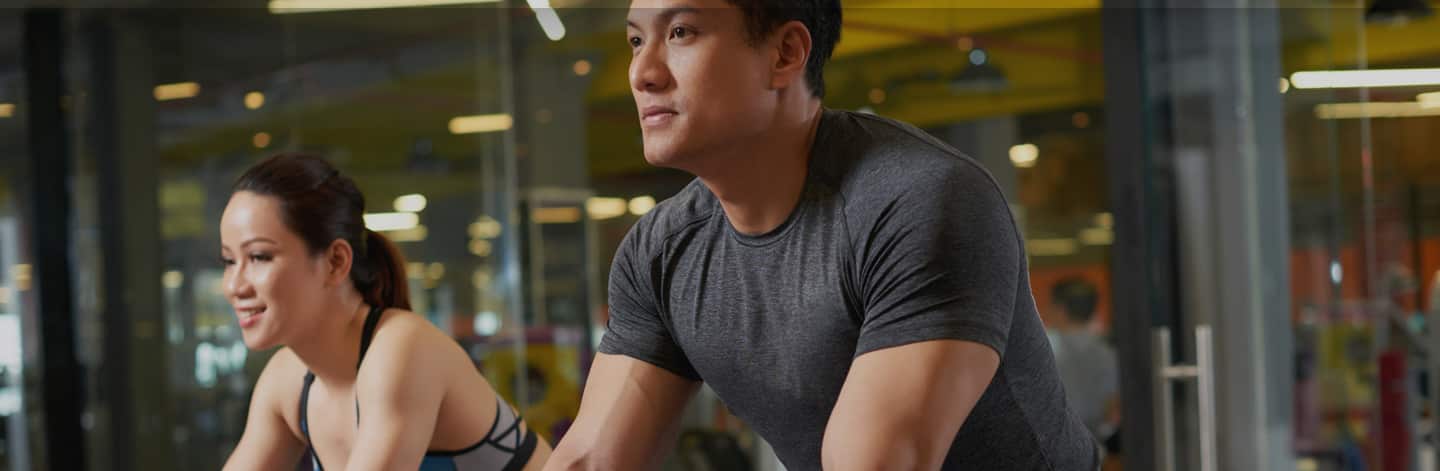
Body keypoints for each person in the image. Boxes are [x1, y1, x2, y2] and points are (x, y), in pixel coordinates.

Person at [545, 0, 1097, 469]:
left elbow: (874, 462)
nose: (642, 72)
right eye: (636, 41)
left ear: (785, 53)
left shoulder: (919, 201)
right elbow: (593, 458)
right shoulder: (661, 251)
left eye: (681, 32)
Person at [220, 154, 550, 470]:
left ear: (335, 262)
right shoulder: (288, 379)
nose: (234, 285)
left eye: (259, 257)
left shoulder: (401, 348)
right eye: (229, 261)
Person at [1046, 277, 1120, 450]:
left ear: (1060, 310)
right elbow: (1112, 406)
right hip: (1095, 444)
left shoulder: (1045, 350)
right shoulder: (1108, 354)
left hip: (1053, 444)